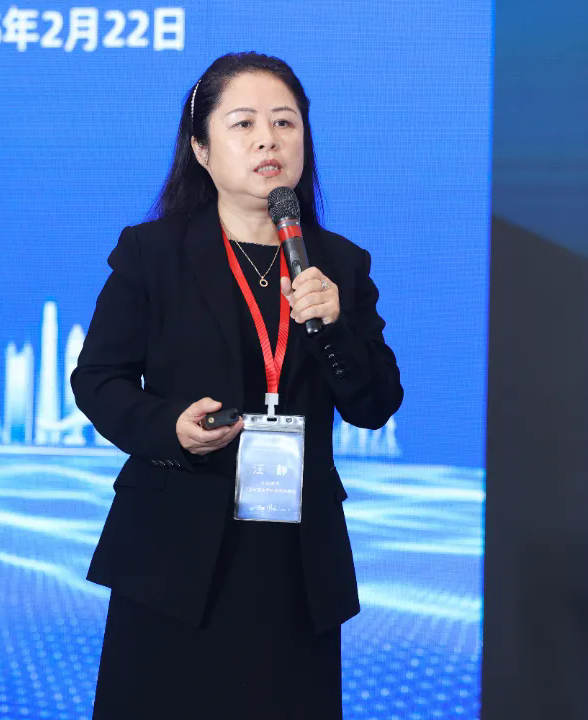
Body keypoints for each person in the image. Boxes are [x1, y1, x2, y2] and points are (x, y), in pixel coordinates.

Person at [70, 51, 404, 720]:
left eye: (285, 123)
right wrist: (169, 427)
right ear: (201, 149)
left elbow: (374, 405)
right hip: (172, 556)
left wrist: (335, 327)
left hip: (295, 564)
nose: (268, 141)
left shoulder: (339, 264)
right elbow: (98, 379)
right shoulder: (152, 253)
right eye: (244, 124)